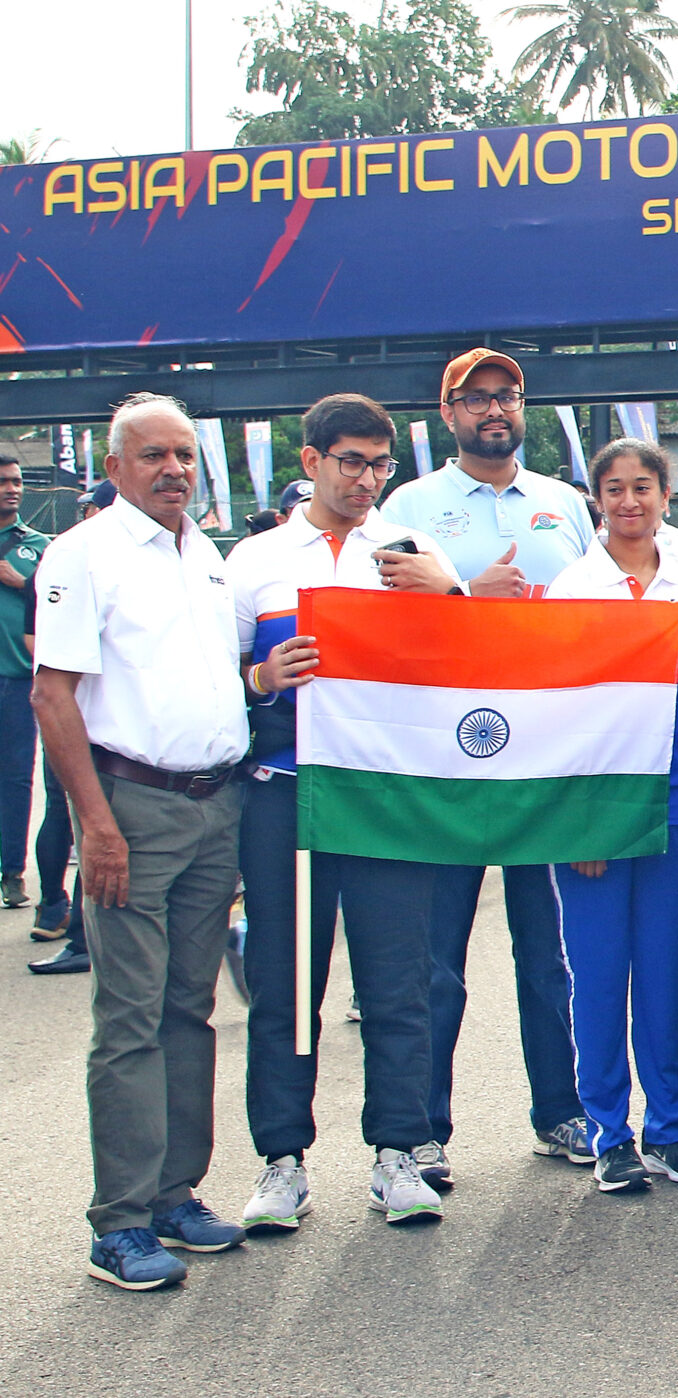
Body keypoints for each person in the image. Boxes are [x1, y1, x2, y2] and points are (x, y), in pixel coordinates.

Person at [226, 393, 467, 1232]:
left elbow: (471, 666)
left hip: (386, 798)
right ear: (310, 462)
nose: (366, 480)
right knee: (288, 988)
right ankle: (281, 1162)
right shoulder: (253, 561)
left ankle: (399, 1155)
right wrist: (261, 680)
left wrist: (453, 592)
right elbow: (213, 682)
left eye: (379, 464)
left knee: (398, 983)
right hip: (285, 791)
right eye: (350, 462)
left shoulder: (409, 551)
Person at [35, 393, 252, 1289]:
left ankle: (173, 1194)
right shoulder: (83, 554)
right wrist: (95, 825)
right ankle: (118, 1221)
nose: (173, 470)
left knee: (187, 1009)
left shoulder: (204, 554)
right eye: (153, 456)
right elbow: (54, 696)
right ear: (116, 466)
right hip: (131, 808)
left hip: (214, 808)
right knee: (129, 1017)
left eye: (183, 455)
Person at [379, 348, 598, 1184]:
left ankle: (564, 1111)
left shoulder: (562, 505)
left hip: (543, 757)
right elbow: (395, 633)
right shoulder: (410, 506)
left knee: (551, 953)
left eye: (506, 396)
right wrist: (467, 593)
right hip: (451, 762)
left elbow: (595, 619)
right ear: (448, 415)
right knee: (435, 958)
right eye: (476, 400)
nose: (494, 411)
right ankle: (423, 1128)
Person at [543, 439, 678, 1193]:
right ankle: (609, 1130)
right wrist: (580, 822)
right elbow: (554, 712)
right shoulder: (570, 589)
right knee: (599, 971)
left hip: (677, 802)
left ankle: (669, 1128)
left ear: (665, 493)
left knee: (664, 974)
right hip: (596, 809)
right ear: (596, 497)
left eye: (642, 487)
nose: (628, 501)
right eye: (613, 489)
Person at [30, 483, 115, 970]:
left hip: (180, 778)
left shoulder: (197, 555)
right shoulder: (70, 556)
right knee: (65, 817)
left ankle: (76, 930)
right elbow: (45, 673)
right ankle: (63, 918)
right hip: (81, 736)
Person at [0, 450, 48, 914]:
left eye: (15, 481)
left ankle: (12, 872)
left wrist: (19, 583)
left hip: (15, 678)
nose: (12, 488)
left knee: (15, 779)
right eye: (3, 482)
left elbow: (54, 605)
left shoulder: (37, 545)